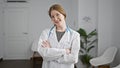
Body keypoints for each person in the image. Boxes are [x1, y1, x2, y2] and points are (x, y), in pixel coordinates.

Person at [37, 4, 80, 68]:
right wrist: (65, 51)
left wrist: (50, 52)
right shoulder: (45, 33)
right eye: (52, 16)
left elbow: (74, 58)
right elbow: (43, 53)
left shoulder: (74, 35)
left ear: (64, 15)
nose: (55, 18)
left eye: (57, 14)